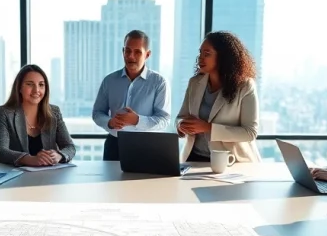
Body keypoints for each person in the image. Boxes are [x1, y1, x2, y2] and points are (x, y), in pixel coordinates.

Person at [176, 31, 260, 163]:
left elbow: (250, 133)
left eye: (207, 54)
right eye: (200, 53)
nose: (200, 58)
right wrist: (181, 126)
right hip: (194, 158)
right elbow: (181, 117)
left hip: (230, 161)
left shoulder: (245, 86)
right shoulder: (195, 83)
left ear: (223, 57)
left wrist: (208, 128)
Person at [92, 30, 170, 161]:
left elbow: (163, 120)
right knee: (110, 181)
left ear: (147, 54)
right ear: (123, 51)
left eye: (137, 52)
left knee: (143, 182)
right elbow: (97, 113)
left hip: (146, 147)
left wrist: (136, 120)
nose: (131, 56)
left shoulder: (159, 82)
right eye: (127, 51)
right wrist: (109, 122)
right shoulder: (109, 81)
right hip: (113, 145)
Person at [0, 64, 76, 167]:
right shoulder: (5, 113)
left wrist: (58, 155)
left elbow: (70, 147)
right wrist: (30, 159)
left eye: (41, 85)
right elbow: (0, 152)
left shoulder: (54, 112)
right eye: (30, 84)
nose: (36, 90)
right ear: (19, 87)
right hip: (17, 179)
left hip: (50, 177)